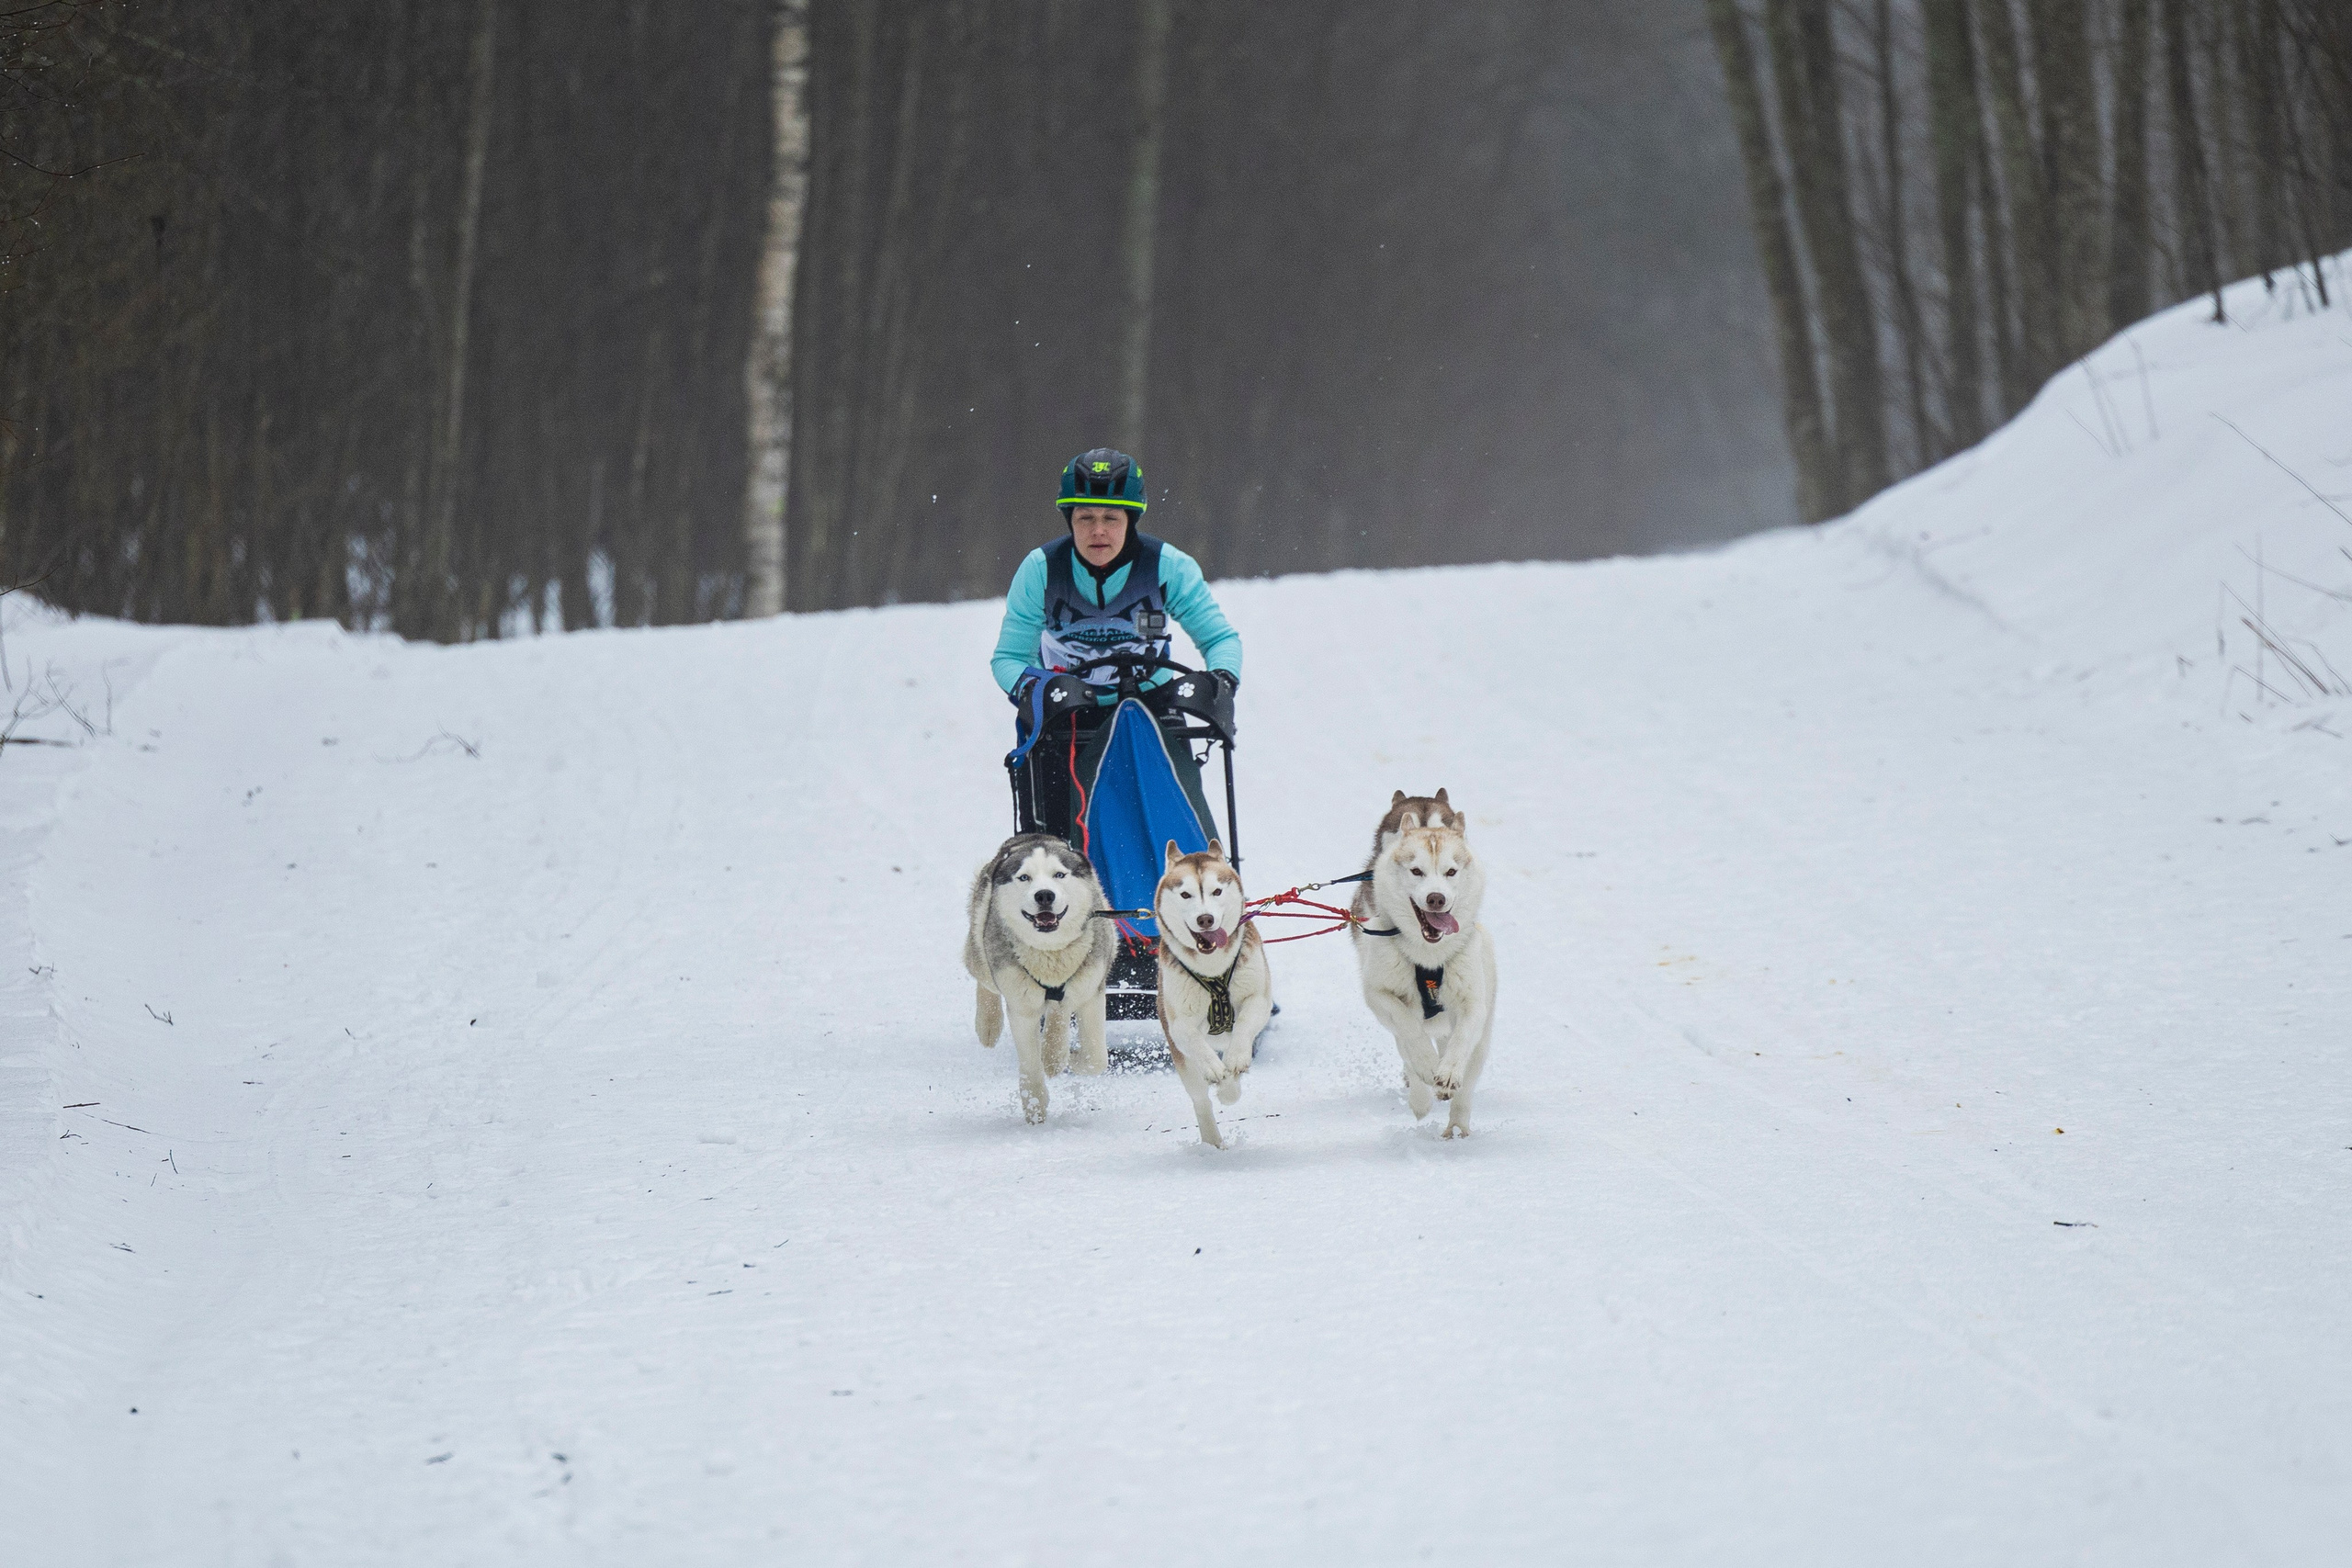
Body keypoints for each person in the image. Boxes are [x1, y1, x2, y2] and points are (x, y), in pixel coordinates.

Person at [994, 447, 1241, 844]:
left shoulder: (1168, 567)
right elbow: (1008, 658)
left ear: (1131, 519)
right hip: (1068, 714)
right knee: (1056, 840)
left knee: (1176, 829)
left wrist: (1222, 678)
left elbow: (1219, 638)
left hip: (1151, 706)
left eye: (1111, 518)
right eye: (1085, 518)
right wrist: (1033, 688)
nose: (1098, 531)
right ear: (1069, 520)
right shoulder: (1040, 569)